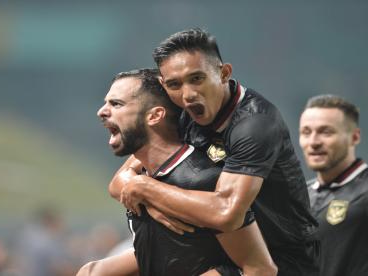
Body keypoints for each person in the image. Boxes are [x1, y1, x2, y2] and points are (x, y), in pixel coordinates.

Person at [111, 28, 319, 275]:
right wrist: (149, 197)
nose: (188, 94)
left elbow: (227, 212)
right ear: (163, 85)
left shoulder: (254, 124)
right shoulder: (181, 111)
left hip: (280, 261)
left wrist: (146, 188)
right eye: (175, 84)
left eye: (197, 78)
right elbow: (120, 182)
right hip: (219, 251)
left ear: (223, 73)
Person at [78, 69, 276, 276]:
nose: (101, 111)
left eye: (116, 104)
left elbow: (261, 269)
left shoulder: (202, 180)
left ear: (154, 116)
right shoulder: (144, 174)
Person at [299, 94, 368, 276]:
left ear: (354, 137)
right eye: (306, 132)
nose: (314, 142)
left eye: (326, 132)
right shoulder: (298, 196)